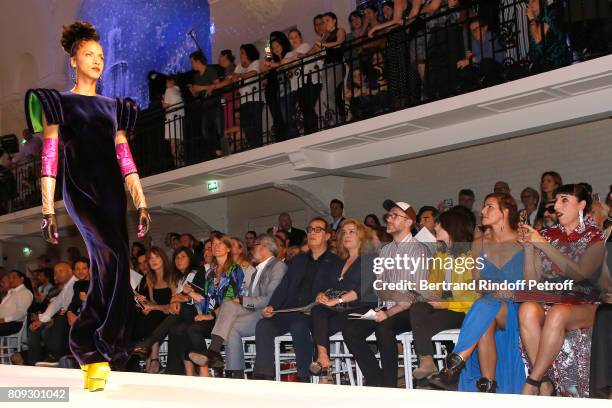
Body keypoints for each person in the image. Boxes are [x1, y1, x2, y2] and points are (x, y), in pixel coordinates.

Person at [25, 21, 151, 391]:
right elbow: (49, 157)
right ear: (73, 59)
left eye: (101, 55)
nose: (97, 60)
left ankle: (87, 345)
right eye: (89, 54)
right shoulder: (59, 103)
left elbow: (125, 157)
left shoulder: (115, 107)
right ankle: (101, 339)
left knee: (113, 262)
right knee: (111, 255)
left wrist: (141, 202)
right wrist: (48, 208)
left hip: (113, 193)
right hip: (79, 191)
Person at [430, 193, 525, 393]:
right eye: (483, 206)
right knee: (485, 314)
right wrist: (494, 288)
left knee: (482, 308)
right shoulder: (479, 243)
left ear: (505, 212)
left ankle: (453, 365)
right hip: (490, 306)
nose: (482, 211)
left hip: (516, 307)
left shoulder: (523, 239)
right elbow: (478, 283)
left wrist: (512, 289)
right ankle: (487, 386)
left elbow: (534, 280)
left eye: (489, 206)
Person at [518, 184, 606, 397]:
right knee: (527, 309)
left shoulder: (595, 236)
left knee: (559, 312)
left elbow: (581, 276)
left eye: (564, 200)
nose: (557, 205)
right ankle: (546, 381)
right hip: (550, 300)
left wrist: (543, 244)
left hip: (586, 304)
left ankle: (533, 380)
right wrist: (530, 247)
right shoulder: (547, 235)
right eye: (556, 200)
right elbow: (531, 283)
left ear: (581, 205)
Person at [343, 200, 428, 388]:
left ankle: (389, 386)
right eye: (388, 215)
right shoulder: (385, 251)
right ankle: (376, 380)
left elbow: (413, 293)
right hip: (385, 307)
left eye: (394, 215)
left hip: (411, 310)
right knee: (350, 329)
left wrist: (388, 312)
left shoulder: (419, 250)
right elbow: (378, 285)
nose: (389, 219)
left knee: (384, 328)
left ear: (408, 222)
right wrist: (382, 307)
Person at [254, 218, 342, 381]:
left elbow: (336, 289)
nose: (312, 233)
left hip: (313, 312)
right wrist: (272, 306)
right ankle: (263, 376)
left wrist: (324, 295)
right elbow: (283, 287)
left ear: (328, 236)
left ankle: (303, 377)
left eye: (318, 230)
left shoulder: (335, 262)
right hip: (288, 310)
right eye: (310, 230)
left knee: (299, 325)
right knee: (263, 325)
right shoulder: (298, 260)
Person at [188, 234, 286, 378]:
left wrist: (242, 300)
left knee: (230, 315)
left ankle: (214, 352)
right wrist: (241, 300)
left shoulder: (278, 266)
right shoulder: (257, 270)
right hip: (253, 310)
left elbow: (269, 299)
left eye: (255, 246)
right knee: (230, 319)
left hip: (267, 312)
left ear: (264, 247)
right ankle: (235, 373)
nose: (252, 249)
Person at [410, 209, 478, 380]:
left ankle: (440, 368)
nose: (435, 229)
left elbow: (473, 297)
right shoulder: (440, 254)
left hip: (462, 310)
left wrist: (445, 304)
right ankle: (427, 361)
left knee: (424, 322)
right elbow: (433, 286)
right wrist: (423, 292)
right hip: (443, 304)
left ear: (451, 228)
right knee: (418, 308)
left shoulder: (471, 256)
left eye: (439, 226)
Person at [309, 219, 376, 383]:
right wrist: (321, 295)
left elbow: (362, 290)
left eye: (352, 231)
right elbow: (325, 285)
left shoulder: (371, 259)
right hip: (340, 309)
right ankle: (324, 358)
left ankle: (325, 371)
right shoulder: (338, 261)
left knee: (319, 328)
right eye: (344, 232)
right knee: (317, 311)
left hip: (364, 307)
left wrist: (336, 300)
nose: (347, 235)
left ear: (361, 236)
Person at [186, 234, 244, 377]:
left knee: (196, 326)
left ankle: (212, 358)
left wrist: (209, 315)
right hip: (213, 317)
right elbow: (209, 301)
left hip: (228, 318)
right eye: (214, 243)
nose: (216, 246)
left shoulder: (235, 270)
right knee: (192, 329)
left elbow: (229, 300)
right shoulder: (211, 273)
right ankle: (213, 360)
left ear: (229, 248)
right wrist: (191, 293)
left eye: (221, 243)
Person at [27, 261, 76, 367]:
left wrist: (65, 311)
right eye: (55, 272)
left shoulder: (76, 283)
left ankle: (55, 356)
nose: (57, 274)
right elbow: (55, 304)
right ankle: (34, 361)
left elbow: (73, 305)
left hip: (73, 318)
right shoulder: (67, 286)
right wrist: (41, 320)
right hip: (63, 317)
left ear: (70, 271)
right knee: (34, 328)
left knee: (59, 320)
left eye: (60, 271)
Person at [312, 12, 347, 126]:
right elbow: (316, 50)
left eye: (327, 20)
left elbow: (338, 43)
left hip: (336, 65)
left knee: (327, 93)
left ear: (334, 20)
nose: (325, 23)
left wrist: (323, 45)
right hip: (326, 67)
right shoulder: (326, 36)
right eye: (323, 21)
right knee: (329, 94)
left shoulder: (340, 30)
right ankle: (337, 117)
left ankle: (337, 119)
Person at [187, 51, 223, 160]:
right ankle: (215, 151)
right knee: (205, 131)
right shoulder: (196, 76)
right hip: (205, 104)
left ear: (198, 61)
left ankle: (225, 151)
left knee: (220, 128)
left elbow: (217, 84)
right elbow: (196, 94)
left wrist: (201, 88)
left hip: (215, 102)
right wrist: (193, 90)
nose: (191, 64)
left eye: (192, 62)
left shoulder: (210, 70)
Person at [262, 32, 293, 142]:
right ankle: (281, 139)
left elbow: (284, 65)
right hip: (273, 91)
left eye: (277, 46)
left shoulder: (288, 55)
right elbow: (263, 68)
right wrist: (267, 49)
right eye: (273, 47)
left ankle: (290, 138)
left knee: (287, 117)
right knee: (277, 117)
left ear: (282, 45)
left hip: (286, 89)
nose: (275, 49)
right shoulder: (271, 60)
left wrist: (272, 64)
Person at [233, 44, 263, 148]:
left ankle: (257, 146)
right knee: (246, 126)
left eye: (242, 53)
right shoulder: (239, 66)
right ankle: (252, 145)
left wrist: (239, 75)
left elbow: (253, 73)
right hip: (243, 101)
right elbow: (233, 78)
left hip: (255, 98)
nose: (240, 55)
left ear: (248, 53)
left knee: (255, 125)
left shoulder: (256, 63)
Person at [0, 270, 33, 336]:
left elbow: (22, 312)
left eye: (14, 277)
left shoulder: (24, 292)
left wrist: (4, 319)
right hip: (5, 323)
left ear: (21, 279)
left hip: (13, 323)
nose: (11, 280)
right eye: (9, 278)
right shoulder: (11, 292)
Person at [162, 75, 185, 166]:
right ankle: (182, 161)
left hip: (172, 118)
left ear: (171, 82)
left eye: (167, 82)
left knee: (173, 143)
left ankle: (177, 163)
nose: (166, 84)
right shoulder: (178, 91)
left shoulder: (169, 90)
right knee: (179, 141)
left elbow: (166, 105)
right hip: (179, 119)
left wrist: (163, 101)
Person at [66, 258, 91, 327]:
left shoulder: (98, 283)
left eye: (84, 268)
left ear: (89, 269)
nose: (81, 272)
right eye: (77, 269)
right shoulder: (77, 284)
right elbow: (74, 301)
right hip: (81, 317)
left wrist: (88, 299)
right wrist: (69, 312)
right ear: (74, 271)